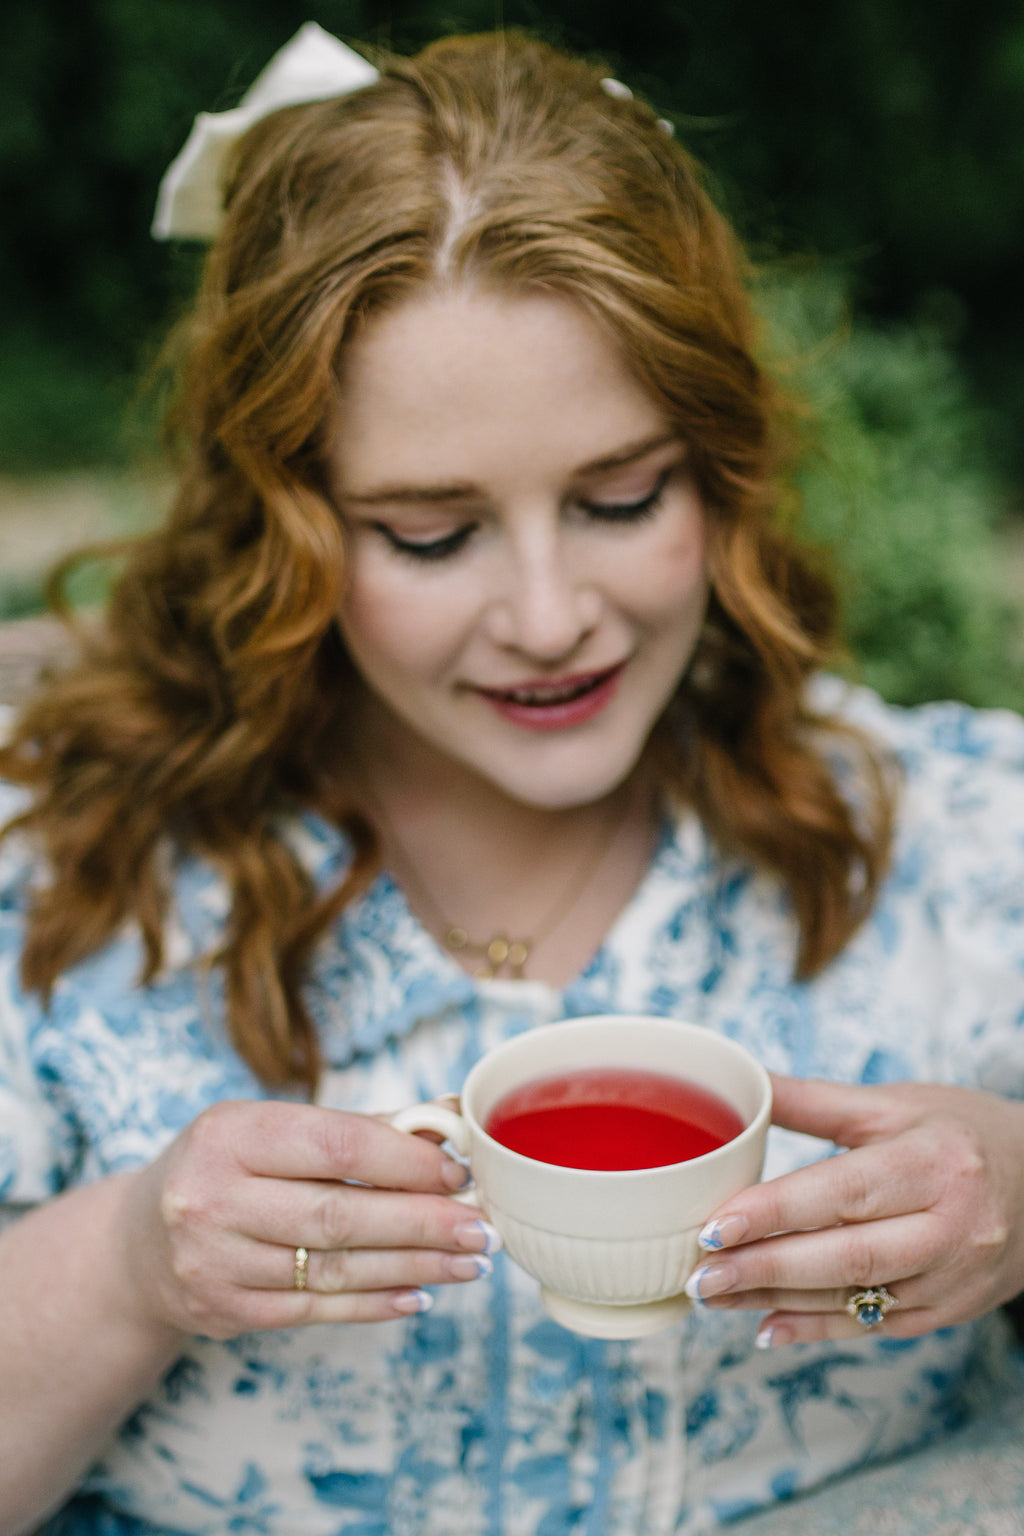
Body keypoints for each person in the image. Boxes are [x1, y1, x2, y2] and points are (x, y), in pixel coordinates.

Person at [2, 23, 1024, 1536]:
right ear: (286, 521)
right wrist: (133, 1264)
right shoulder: (62, 876)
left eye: (621, 497)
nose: (549, 617)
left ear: (721, 469)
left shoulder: (958, 842)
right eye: (431, 533)